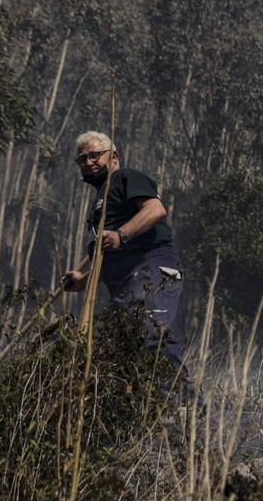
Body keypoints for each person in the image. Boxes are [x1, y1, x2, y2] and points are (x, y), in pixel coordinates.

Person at [63, 131, 184, 374]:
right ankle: (152, 409)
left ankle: (188, 408)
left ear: (114, 156)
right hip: (125, 284)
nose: (88, 162)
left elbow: (155, 210)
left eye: (95, 155)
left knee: (152, 337)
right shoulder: (102, 199)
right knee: (125, 350)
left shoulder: (126, 178)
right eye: (82, 159)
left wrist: (122, 234)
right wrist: (84, 281)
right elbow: (108, 254)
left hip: (151, 268)